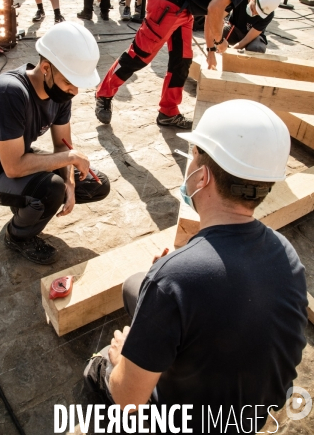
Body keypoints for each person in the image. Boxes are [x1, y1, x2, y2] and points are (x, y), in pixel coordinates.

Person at [84, 99, 307, 435]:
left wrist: (122, 359)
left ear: (202, 176)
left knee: (100, 371)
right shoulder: (285, 251)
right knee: (137, 285)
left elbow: (127, 400)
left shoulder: (175, 277)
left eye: (194, 154)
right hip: (255, 416)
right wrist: (161, 284)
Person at [95, 0, 300, 128]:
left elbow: (214, 12)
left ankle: (168, 112)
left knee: (182, 61)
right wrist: (219, 42)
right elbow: (215, 9)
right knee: (140, 55)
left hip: (183, 7)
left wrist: (211, 51)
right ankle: (103, 94)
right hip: (169, 1)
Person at [0, 22, 110, 265]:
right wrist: (70, 162)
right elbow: (13, 167)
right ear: (45, 68)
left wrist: (70, 182)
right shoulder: (10, 92)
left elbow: (63, 145)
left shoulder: (59, 91)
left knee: (96, 184)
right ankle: (17, 236)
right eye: (69, 82)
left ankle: (28, 203)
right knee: (50, 189)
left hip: (19, 156)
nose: (74, 91)